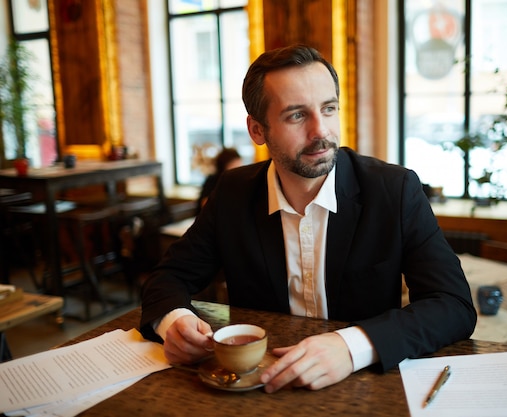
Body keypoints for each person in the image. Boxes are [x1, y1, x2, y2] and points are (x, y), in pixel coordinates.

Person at [140, 44, 476, 393]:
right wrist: (175, 322)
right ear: (257, 131)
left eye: (328, 109)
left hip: (365, 387)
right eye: (297, 115)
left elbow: (453, 305)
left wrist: (352, 345)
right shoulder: (233, 194)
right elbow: (168, 278)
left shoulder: (394, 190)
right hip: (259, 387)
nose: (321, 131)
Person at [196, 147, 243, 215]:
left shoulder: (238, 181)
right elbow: (205, 205)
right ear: (224, 166)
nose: (239, 171)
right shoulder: (213, 180)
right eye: (235, 167)